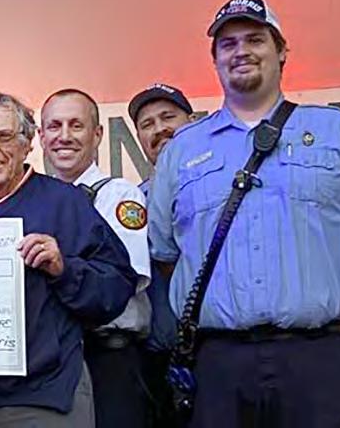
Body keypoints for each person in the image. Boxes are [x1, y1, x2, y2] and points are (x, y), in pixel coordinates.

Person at [147, 0, 340, 426]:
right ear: (214, 59)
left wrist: (330, 285)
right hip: (221, 365)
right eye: (228, 44)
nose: (241, 51)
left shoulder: (337, 133)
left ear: (282, 51)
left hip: (321, 360)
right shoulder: (182, 151)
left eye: (255, 39)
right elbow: (167, 253)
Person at [0, 88, 141, 428]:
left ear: (27, 143)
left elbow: (115, 291)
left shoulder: (66, 203)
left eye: (3, 136)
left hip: (46, 398)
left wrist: (64, 268)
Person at [39, 88, 152, 428]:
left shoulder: (119, 196)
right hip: (55, 363)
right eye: (54, 126)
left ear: (98, 134)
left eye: (76, 125)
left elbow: (121, 284)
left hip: (108, 357)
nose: (64, 136)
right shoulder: (36, 202)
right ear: (41, 136)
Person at [126, 82, 196, 426]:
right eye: (147, 124)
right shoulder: (133, 201)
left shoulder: (226, 187)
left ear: (193, 122)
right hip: (158, 360)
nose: (159, 129)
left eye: (168, 117)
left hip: (220, 349)